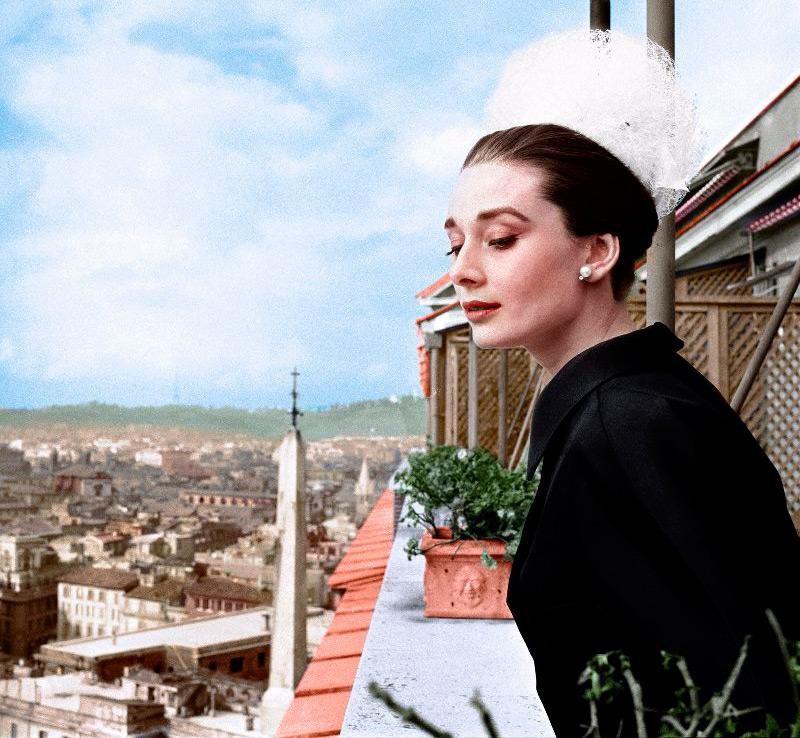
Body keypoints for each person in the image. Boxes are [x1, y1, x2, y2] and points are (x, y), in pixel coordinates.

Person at [445, 122, 800, 736]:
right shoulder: (628, 405)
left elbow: (744, 686)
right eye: (453, 246)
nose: (464, 271)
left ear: (596, 252)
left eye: (500, 239)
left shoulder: (628, 423)